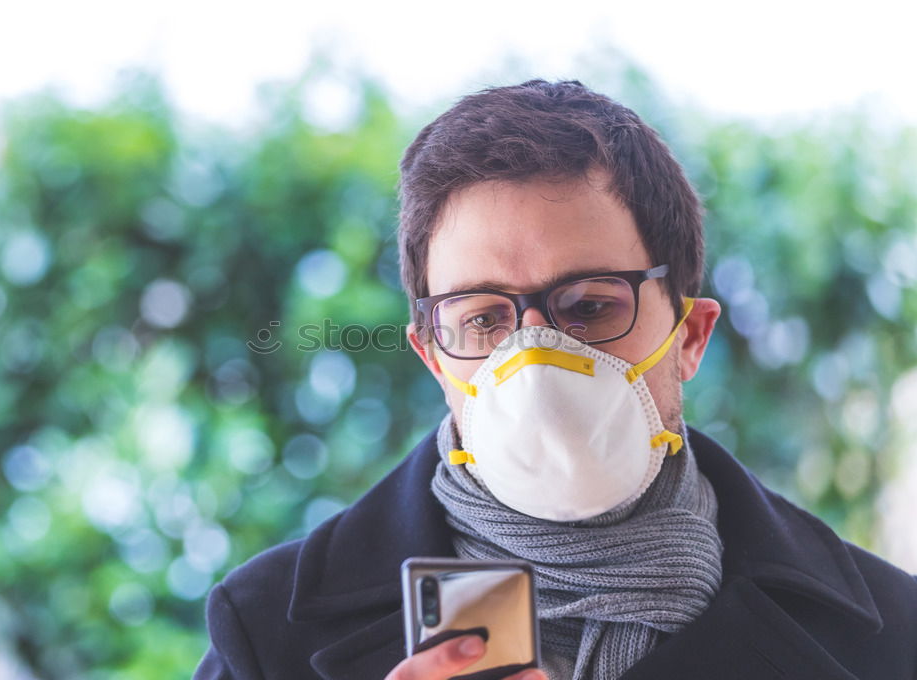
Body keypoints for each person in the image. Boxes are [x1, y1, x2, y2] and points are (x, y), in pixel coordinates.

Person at [193, 80, 917, 680]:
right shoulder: (263, 630)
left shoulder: (891, 636)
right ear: (436, 361)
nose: (534, 363)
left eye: (591, 306)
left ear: (689, 337)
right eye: (482, 320)